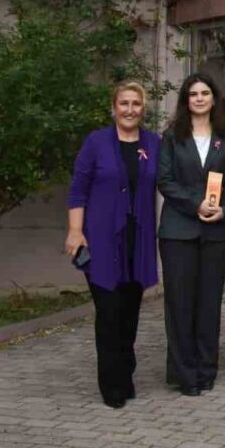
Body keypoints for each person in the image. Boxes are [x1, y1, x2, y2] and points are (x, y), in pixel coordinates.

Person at [66, 81, 161, 408]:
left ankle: (125, 374)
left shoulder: (154, 143)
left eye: (136, 104)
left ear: (143, 109)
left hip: (138, 241)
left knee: (130, 315)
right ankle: (111, 384)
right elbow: (78, 190)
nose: (130, 109)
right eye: (124, 103)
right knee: (109, 313)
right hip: (101, 241)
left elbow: (171, 180)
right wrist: (75, 231)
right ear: (113, 107)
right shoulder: (96, 142)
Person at [158, 73, 225, 396]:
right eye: (193, 94)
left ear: (213, 98)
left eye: (205, 93)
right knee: (180, 305)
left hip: (217, 232)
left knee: (209, 304)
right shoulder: (172, 136)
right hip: (179, 232)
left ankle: (207, 370)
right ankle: (184, 374)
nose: (199, 98)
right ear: (185, 100)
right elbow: (165, 181)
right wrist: (197, 205)